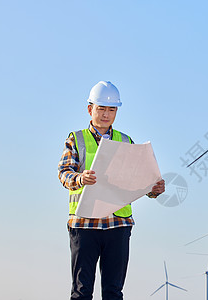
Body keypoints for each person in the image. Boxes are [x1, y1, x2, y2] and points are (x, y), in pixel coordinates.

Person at [58, 81, 165, 300]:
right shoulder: (76, 139)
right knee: (81, 291)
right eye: (102, 109)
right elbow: (63, 172)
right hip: (84, 224)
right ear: (90, 109)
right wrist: (80, 177)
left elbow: (138, 179)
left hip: (118, 225)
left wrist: (153, 189)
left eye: (112, 109)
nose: (106, 114)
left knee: (113, 292)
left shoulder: (125, 141)